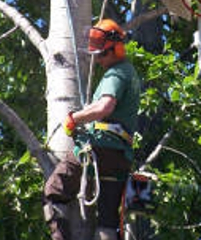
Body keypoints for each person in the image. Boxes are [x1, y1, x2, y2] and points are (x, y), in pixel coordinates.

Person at [43, 19, 141, 240]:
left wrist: (73, 119)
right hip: (120, 158)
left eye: (101, 55)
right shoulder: (132, 73)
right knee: (108, 221)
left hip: (99, 148)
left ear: (114, 49)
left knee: (53, 192)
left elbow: (105, 106)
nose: (98, 60)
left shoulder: (116, 73)